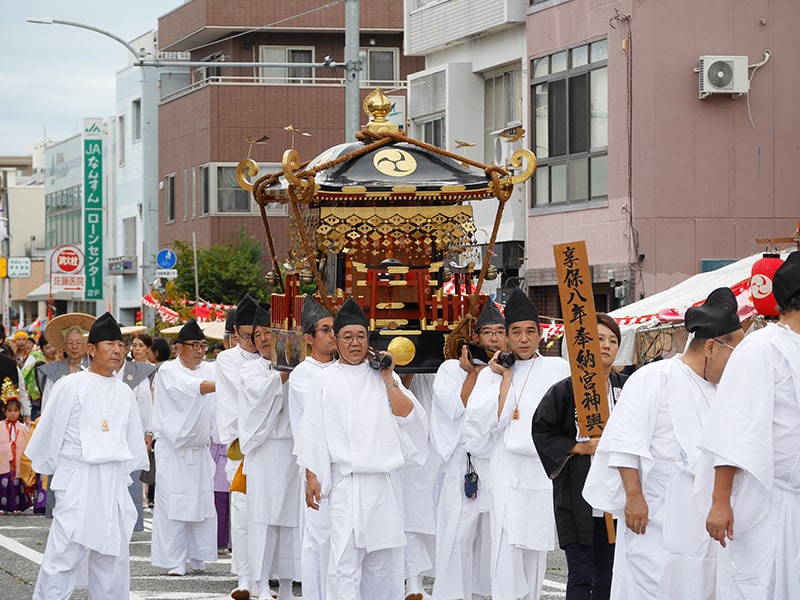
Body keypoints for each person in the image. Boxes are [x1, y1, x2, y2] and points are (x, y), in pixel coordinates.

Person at [582, 287, 743, 600]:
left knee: (699, 586)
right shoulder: (655, 377)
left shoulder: (725, 390)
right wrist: (634, 497)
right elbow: (625, 440)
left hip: (703, 518)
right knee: (650, 586)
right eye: (734, 352)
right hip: (655, 513)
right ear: (711, 347)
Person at [295, 297, 429, 600]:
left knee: (383, 565)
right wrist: (312, 476)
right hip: (346, 484)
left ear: (368, 339)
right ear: (335, 340)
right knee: (344, 563)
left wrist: (387, 378)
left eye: (360, 336)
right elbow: (313, 430)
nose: (355, 343)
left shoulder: (382, 375)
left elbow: (409, 415)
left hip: (383, 485)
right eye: (347, 336)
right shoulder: (323, 380)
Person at [24, 312, 148, 599]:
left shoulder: (125, 392)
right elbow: (49, 435)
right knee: (63, 556)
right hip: (78, 479)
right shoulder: (70, 385)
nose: (117, 350)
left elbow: (132, 446)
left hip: (113, 483)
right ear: (91, 350)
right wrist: (63, 472)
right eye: (109, 344)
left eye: (121, 344)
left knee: (112, 559)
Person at [698, 251, 800, 599]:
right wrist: (720, 500)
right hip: (769, 501)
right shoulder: (762, 348)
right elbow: (733, 427)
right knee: (763, 587)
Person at [463, 288, 571, 600]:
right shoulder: (491, 374)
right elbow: (483, 426)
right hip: (504, 469)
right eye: (516, 332)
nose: (523, 339)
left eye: (530, 332)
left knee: (534, 548)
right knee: (505, 544)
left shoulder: (558, 369)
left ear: (541, 335)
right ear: (507, 337)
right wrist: (505, 377)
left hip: (543, 470)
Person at [532, 314, 627, 600]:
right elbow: (542, 431)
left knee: (610, 577)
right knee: (581, 575)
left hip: (617, 496)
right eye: (598, 339)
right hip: (578, 496)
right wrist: (578, 447)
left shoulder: (626, 387)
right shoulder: (565, 390)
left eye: (612, 340)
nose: (606, 346)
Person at [430, 299, 507, 600]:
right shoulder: (452, 369)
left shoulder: (506, 368)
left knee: (491, 539)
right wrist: (473, 373)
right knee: (457, 537)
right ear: (474, 338)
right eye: (487, 332)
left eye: (500, 331)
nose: (494, 338)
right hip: (462, 465)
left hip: (496, 465)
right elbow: (457, 407)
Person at [239, 304, 299, 600]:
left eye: (269, 333)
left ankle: (287, 584)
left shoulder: (301, 368)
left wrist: (293, 365)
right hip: (264, 449)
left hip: (292, 451)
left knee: (290, 520)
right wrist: (286, 369)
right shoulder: (251, 368)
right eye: (258, 334)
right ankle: (259, 581)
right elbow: (261, 393)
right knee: (262, 518)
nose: (263, 339)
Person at [151, 319, 218, 576]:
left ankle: (198, 556)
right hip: (174, 450)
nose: (201, 350)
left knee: (201, 504)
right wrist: (229, 385)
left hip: (200, 449)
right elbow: (192, 389)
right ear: (179, 347)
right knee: (173, 505)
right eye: (195, 345)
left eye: (203, 345)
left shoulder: (209, 370)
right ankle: (174, 560)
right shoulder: (168, 370)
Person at [287, 295, 337, 600]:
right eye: (326, 330)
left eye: (335, 329)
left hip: (347, 465)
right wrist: (311, 474)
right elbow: (313, 426)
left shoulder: (344, 369)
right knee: (319, 538)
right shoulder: (301, 376)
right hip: (317, 466)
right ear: (308, 338)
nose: (333, 336)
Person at [215, 293, 261, 598]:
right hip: (241, 445)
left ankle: (268, 574)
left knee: (269, 513)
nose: (252, 342)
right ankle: (245, 575)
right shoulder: (227, 359)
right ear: (235, 335)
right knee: (243, 514)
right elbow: (249, 389)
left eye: (257, 335)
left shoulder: (271, 355)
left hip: (271, 445)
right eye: (245, 336)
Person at [399, 372, 440, 600]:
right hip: (412, 447)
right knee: (412, 514)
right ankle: (413, 582)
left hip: (443, 444)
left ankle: (438, 581)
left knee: (438, 515)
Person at [116, 346, 157, 531]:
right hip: (105, 435)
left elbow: (145, 405)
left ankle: (131, 524)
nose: (115, 350)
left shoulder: (137, 373)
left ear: (126, 349)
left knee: (132, 479)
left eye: (119, 345)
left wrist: (148, 432)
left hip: (131, 434)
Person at [38, 313, 95, 413]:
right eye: (70, 343)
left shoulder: (95, 369)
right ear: (64, 346)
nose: (74, 347)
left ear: (86, 345)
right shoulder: (54, 371)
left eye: (78, 343)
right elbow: (47, 404)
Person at [0, 378, 31, 514]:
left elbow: (28, 442)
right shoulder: (0, 426)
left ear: (19, 412)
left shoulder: (23, 428)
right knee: (3, 482)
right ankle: (3, 507)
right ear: (4, 411)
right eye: (10, 410)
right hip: (3, 460)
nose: (13, 413)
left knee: (16, 483)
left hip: (18, 460)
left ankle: (16, 506)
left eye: (16, 410)